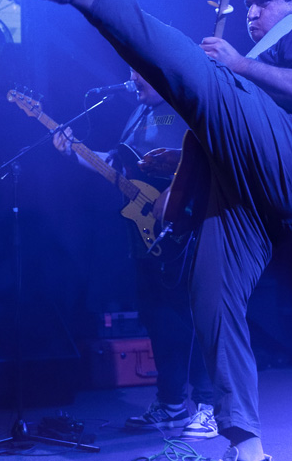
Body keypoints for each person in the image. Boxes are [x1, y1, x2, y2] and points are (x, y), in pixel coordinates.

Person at [26, 0, 292, 461]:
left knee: (208, 77)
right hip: (258, 192)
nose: (252, 14)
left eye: (262, 3)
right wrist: (181, 189)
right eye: (251, 2)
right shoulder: (269, 55)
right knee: (210, 295)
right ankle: (247, 444)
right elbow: (215, 129)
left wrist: (237, 64)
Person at [53, 70, 216, 438]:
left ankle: (209, 405)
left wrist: (174, 194)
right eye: (130, 72)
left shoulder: (186, 109)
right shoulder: (139, 113)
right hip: (146, 235)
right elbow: (115, 165)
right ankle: (172, 404)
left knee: (197, 315)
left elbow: (209, 159)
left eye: (140, 73)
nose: (133, 79)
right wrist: (73, 150)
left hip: (186, 226)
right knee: (159, 317)